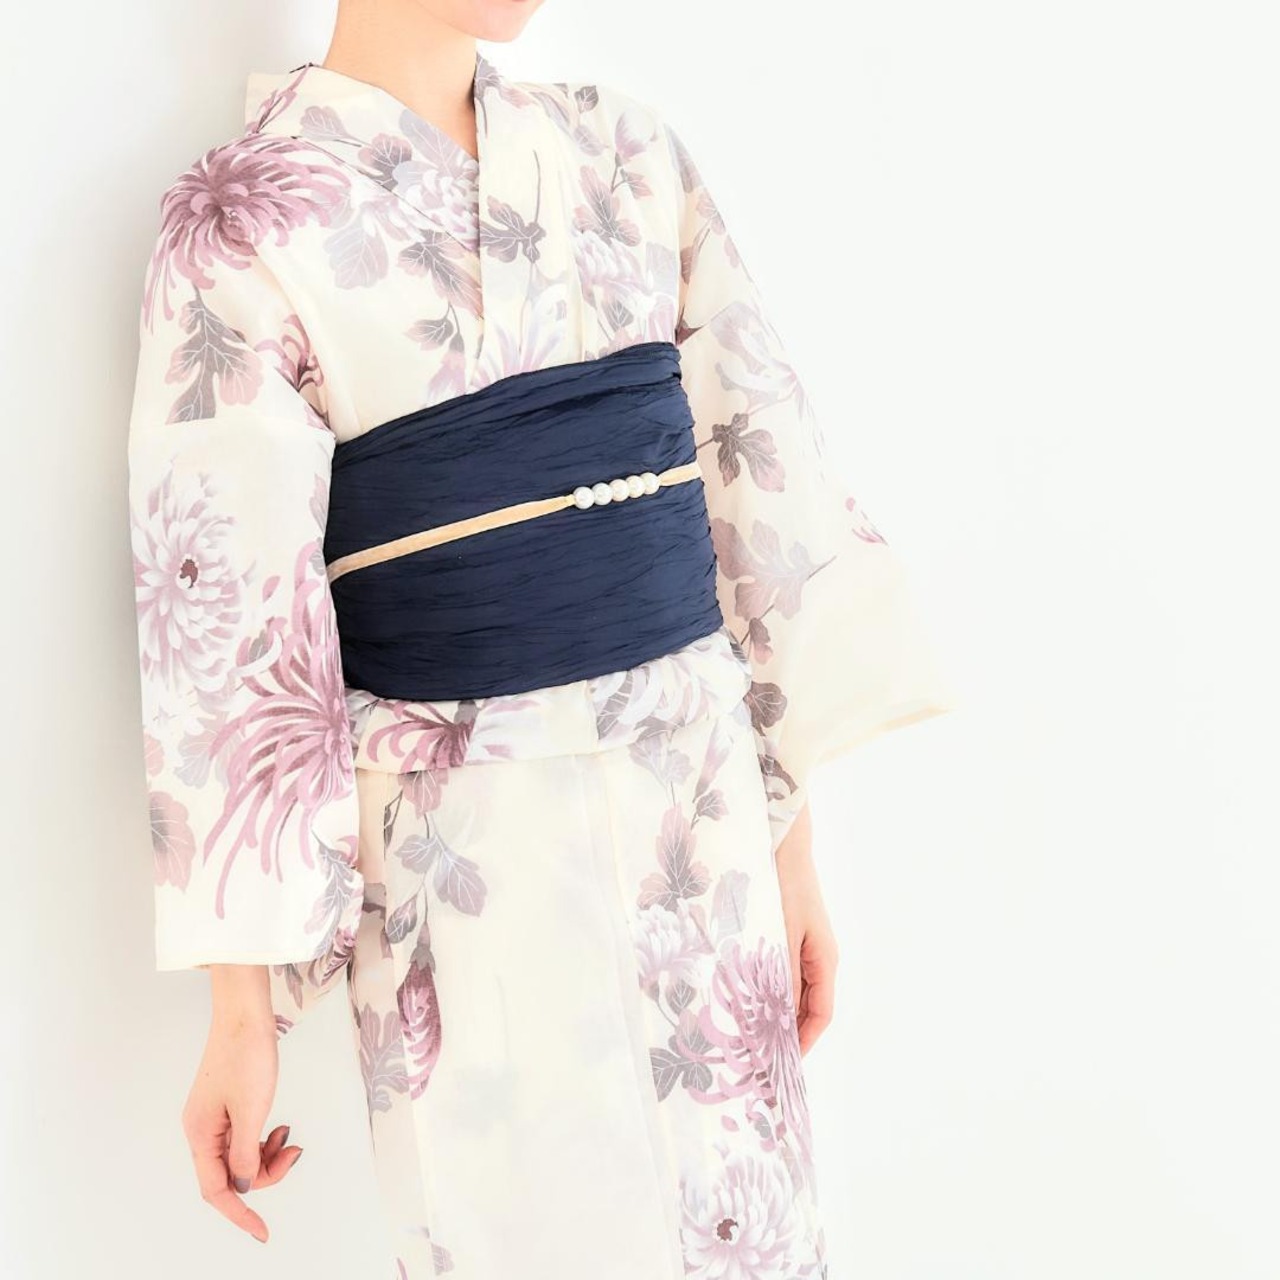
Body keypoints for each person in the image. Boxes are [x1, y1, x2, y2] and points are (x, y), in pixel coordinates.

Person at [125, 1, 955, 1275]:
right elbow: (231, 616)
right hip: (461, 859)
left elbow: (746, 496)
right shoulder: (239, 228)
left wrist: (789, 852)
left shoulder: (623, 151)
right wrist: (242, 1010)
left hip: (698, 828)